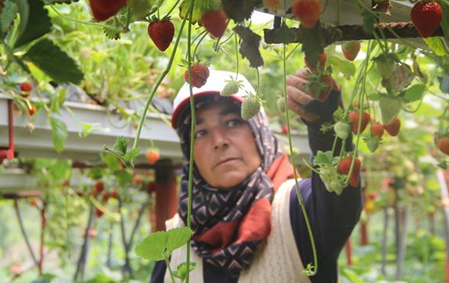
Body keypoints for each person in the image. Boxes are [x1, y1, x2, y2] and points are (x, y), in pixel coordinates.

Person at [150, 69, 362, 283]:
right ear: (189, 152)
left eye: (233, 122)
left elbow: (338, 202)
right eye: (200, 133)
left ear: (259, 130)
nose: (219, 141)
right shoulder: (174, 244)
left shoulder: (298, 209)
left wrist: (325, 129)